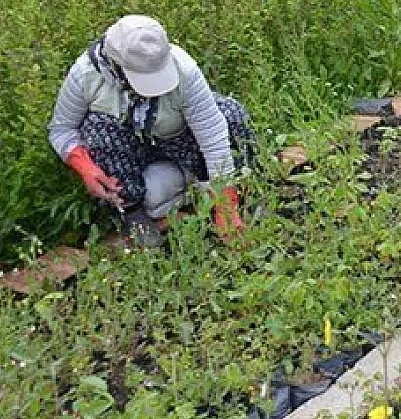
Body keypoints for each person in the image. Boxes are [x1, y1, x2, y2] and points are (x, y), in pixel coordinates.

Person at [48, 15, 255, 247]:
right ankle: (134, 214)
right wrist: (84, 166)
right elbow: (61, 130)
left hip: (182, 139)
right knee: (97, 128)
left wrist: (226, 205)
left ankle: (235, 186)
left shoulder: (183, 69)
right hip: (132, 154)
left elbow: (212, 133)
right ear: (117, 65)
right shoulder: (85, 75)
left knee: (232, 116)